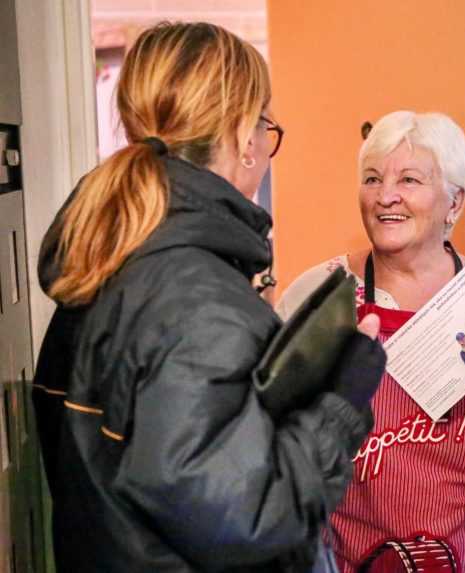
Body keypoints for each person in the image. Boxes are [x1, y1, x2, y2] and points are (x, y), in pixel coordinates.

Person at [31, 22, 384, 573]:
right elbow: (246, 519)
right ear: (245, 136)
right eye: (267, 125)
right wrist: (342, 401)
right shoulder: (198, 302)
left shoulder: (105, 262)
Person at [276, 110, 465, 573]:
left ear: (454, 202)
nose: (386, 196)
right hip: (351, 555)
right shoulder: (319, 294)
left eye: (409, 179)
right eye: (371, 179)